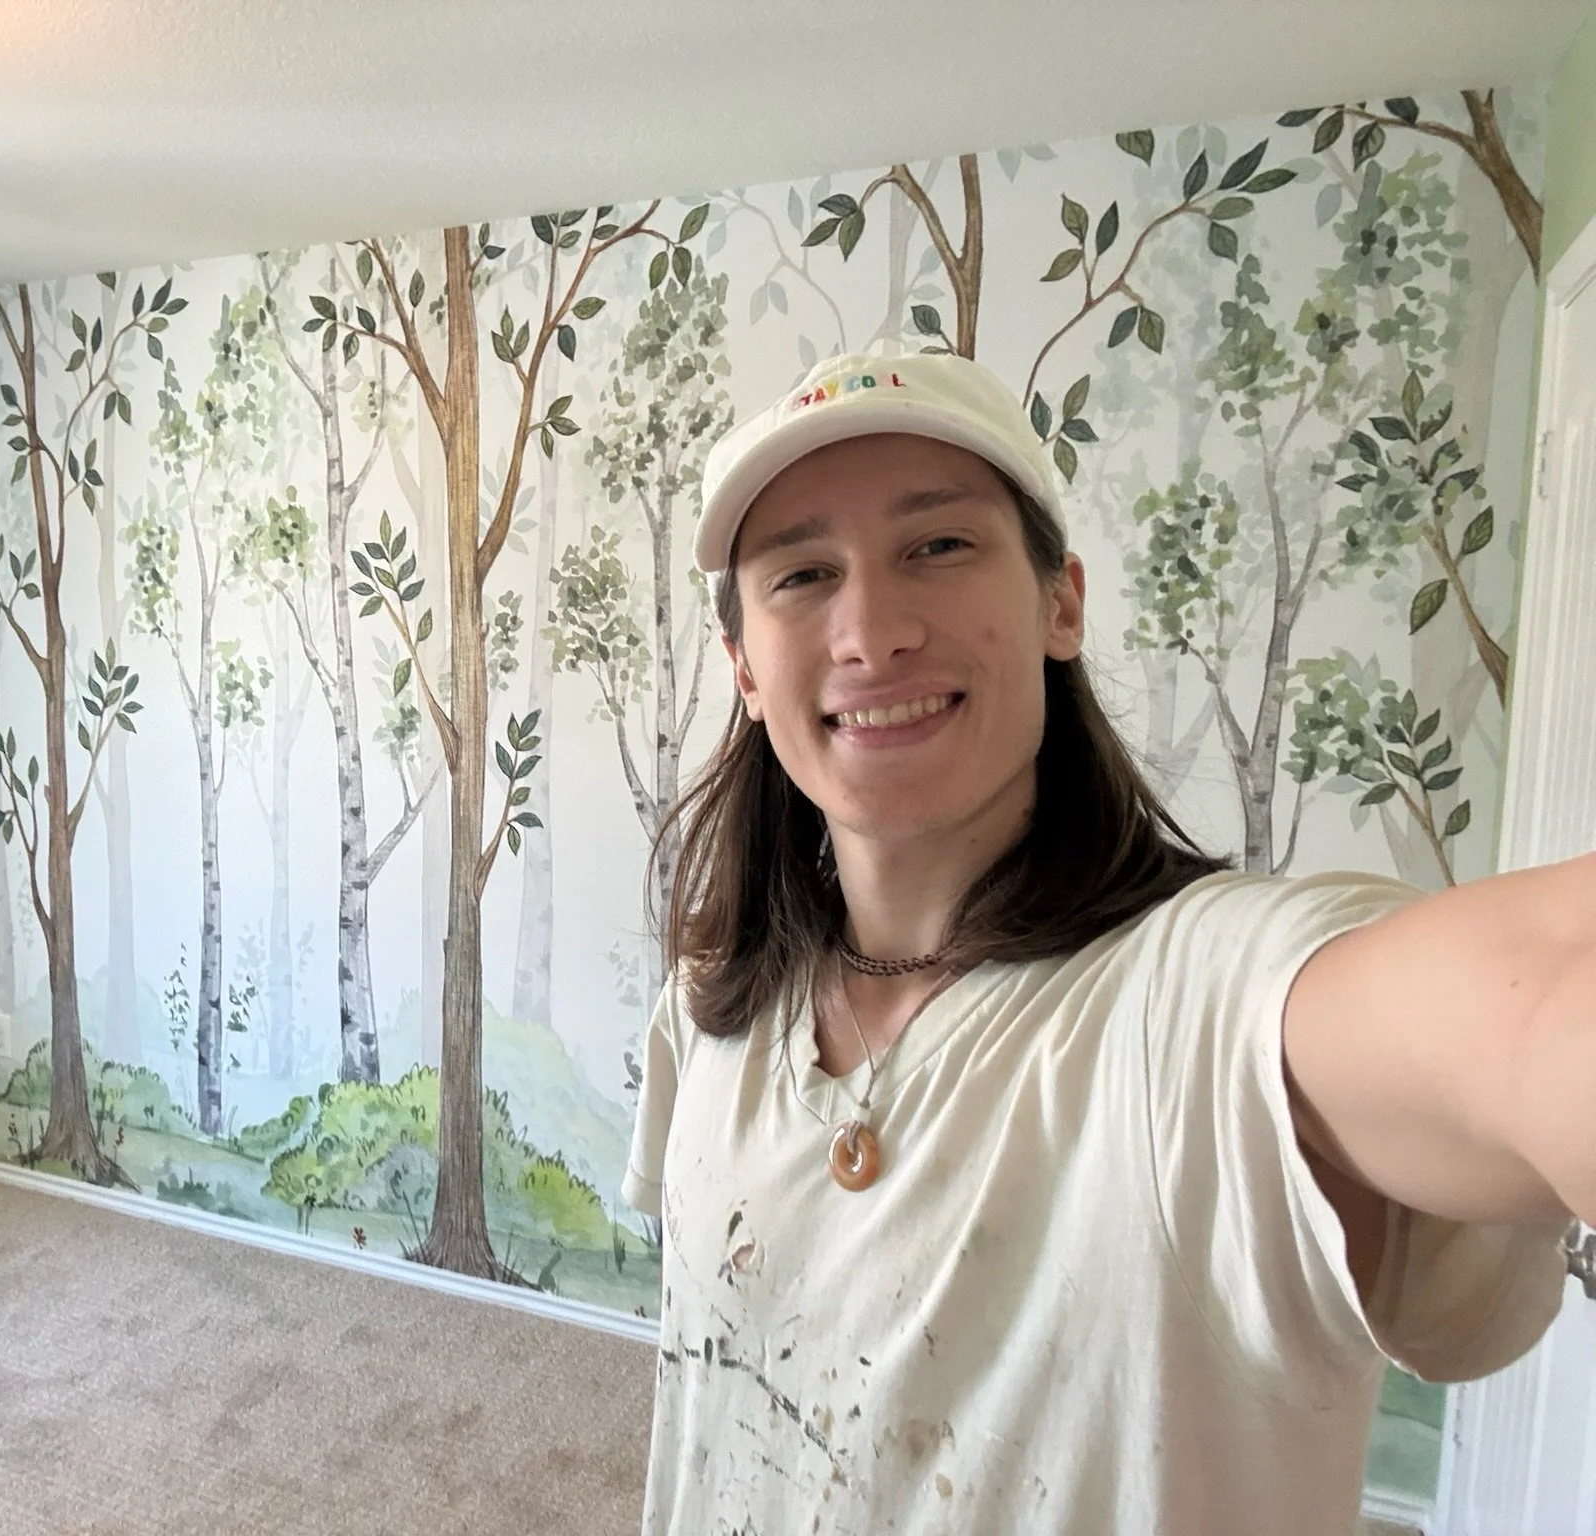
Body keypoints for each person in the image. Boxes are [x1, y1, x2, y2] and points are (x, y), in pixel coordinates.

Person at [619, 348, 1590, 1534]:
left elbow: (1543, 995)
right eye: (803, 575)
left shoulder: (1196, 1004)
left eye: (937, 545)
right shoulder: (706, 1009)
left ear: (1059, 603)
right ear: (744, 671)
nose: (870, 632)